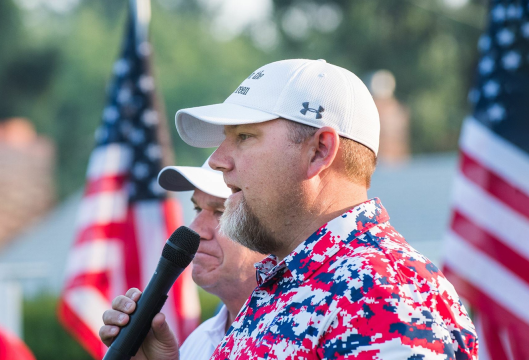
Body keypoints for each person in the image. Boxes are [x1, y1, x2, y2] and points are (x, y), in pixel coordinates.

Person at [127, 58, 477, 359]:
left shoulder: (384, 294)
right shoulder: (283, 284)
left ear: (319, 151)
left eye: (244, 136)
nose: (218, 160)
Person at [99, 157, 266, 359]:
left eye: (222, 212)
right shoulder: (199, 340)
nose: (195, 229)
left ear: (273, 226)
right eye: (197, 209)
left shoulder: (300, 329)